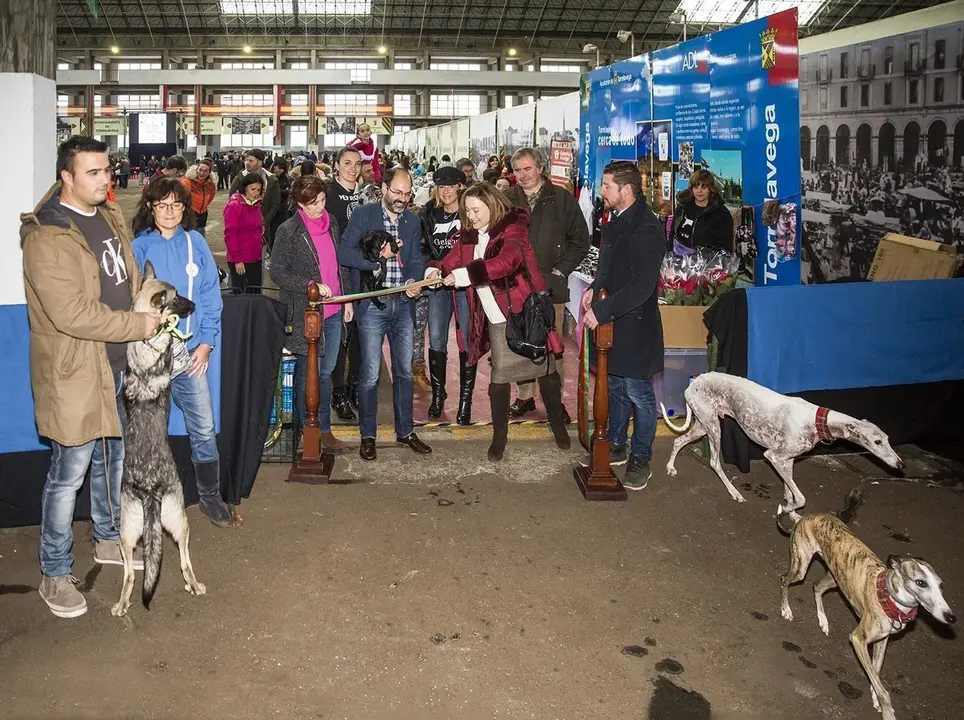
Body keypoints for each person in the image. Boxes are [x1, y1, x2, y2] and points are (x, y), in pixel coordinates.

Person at [21, 136, 162, 618]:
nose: (106, 180)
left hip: (115, 366)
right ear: (67, 176)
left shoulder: (107, 214)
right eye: (94, 173)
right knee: (69, 474)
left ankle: (107, 538)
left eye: (107, 170)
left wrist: (149, 295)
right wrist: (138, 325)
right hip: (75, 371)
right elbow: (72, 314)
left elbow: (122, 279)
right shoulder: (47, 236)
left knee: (112, 460)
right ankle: (54, 571)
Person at [427, 183, 569, 461]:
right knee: (499, 379)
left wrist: (463, 275)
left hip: (525, 314)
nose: (471, 216)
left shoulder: (513, 229)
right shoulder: (469, 234)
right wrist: (435, 270)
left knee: (546, 373)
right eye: (467, 210)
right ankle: (499, 437)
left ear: (492, 205)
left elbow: (506, 262)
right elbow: (451, 259)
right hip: (495, 317)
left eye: (476, 210)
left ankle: (558, 425)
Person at [130, 176, 232, 525]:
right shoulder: (139, 247)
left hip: (189, 355)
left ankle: (209, 496)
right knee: (149, 433)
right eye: (162, 205)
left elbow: (210, 295)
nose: (170, 211)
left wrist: (206, 342)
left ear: (185, 208)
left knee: (203, 426)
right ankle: (150, 500)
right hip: (151, 359)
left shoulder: (196, 242)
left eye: (176, 204)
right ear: (151, 207)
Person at [338, 167, 431, 462]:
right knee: (369, 375)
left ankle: (405, 431)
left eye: (407, 193)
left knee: (404, 372)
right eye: (397, 192)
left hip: (403, 304)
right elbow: (344, 253)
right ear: (384, 189)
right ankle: (368, 435)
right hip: (372, 306)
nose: (402, 198)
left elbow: (416, 258)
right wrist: (379, 259)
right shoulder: (363, 215)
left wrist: (413, 281)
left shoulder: (412, 220)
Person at [581, 161, 665, 490]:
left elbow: (642, 286)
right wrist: (594, 287)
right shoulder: (616, 218)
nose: (601, 191)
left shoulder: (646, 228)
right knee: (614, 386)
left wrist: (602, 312)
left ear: (626, 190)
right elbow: (610, 266)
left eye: (607, 186)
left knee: (638, 394)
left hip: (635, 326)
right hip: (614, 324)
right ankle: (616, 443)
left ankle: (641, 458)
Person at [504, 147, 590, 420]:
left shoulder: (562, 199)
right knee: (521, 343)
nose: (523, 175)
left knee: (553, 347)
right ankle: (525, 397)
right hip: (515, 287)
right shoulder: (507, 199)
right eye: (517, 170)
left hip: (550, 287)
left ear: (541, 168)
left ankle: (554, 401)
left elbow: (581, 240)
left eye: (528, 169)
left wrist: (560, 271)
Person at [271, 175, 354, 453]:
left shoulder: (333, 224)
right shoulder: (288, 231)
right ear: (299, 203)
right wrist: (310, 286)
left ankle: (324, 430)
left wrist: (347, 300)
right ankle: (302, 434)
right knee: (308, 376)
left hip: (333, 311)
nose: (320, 207)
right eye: (312, 203)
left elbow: (340, 265)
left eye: (322, 200)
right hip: (307, 315)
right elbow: (277, 272)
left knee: (327, 373)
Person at [418, 166, 472, 421]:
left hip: (464, 284)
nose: (446, 191)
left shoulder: (470, 211)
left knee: (467, 341)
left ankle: (465, 401)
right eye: (441, 186)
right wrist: (430, 268)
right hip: (438, 285)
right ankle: (438, 397)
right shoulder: (429, 212)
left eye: (451, 186)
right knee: (436, 339)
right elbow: (423, 246)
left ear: (460, 186)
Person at [327, 146, 365, 422]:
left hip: (364, 273)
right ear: (337, 165)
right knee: (341, 335)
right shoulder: (328, 195)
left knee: (362, 334)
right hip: (339, 274)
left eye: (357, 163)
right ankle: (338, 391)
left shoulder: (367, 195)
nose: (353, 168)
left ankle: (354, 387)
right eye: (347, 163)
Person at [671, 169, 734, 253]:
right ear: (691, 188)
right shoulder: (682, 207)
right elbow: (672, 234)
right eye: (696, 187)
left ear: (711, 189)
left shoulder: (722, 213)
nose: (699, 191)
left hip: (707, 260)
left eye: (704, 187)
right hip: (678, 258)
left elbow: (726, 247)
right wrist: (668, 254)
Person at [229, 149, 281, 247]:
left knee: (261, 253)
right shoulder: (239, 178)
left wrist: (264, 222)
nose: (247, 163)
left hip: (263, 229)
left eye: (251, 161)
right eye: (246, 160)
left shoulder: (271, 180)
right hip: (242, 228)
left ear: (260, 162)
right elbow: (231, 201)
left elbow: (275, 204)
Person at [223, 173, 265, 293]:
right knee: (240, 295)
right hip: (241, 259)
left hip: (256, 257)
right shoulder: (234, 206)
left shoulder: (256, 204)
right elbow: (230, 235)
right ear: (245, 188)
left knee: (255, 293)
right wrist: (238, 260)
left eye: (258, 190)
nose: (256, 193)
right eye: (253, 189)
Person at [181, 158, 217, 238]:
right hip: (189, 214)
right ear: (197, 169)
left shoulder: (211, 185)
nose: (202, 173)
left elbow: (211, 197)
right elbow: (182, 198)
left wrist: (203, 207)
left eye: (205, 171)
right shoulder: (187, 181)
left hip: (202, 214)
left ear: (209, 173)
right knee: (187, 237)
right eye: (200, 170)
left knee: (200, 237)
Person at [270, 156, 292, 248]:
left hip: (282, 210)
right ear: (274, 166)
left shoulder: (286, 179)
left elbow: (289, 192)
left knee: (281, 231)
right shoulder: (270, 177)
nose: (279, 170)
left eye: (282, 168)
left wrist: (281, 191)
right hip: (271, 209)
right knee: (271, 232)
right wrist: (283, 191)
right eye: (278, 167)